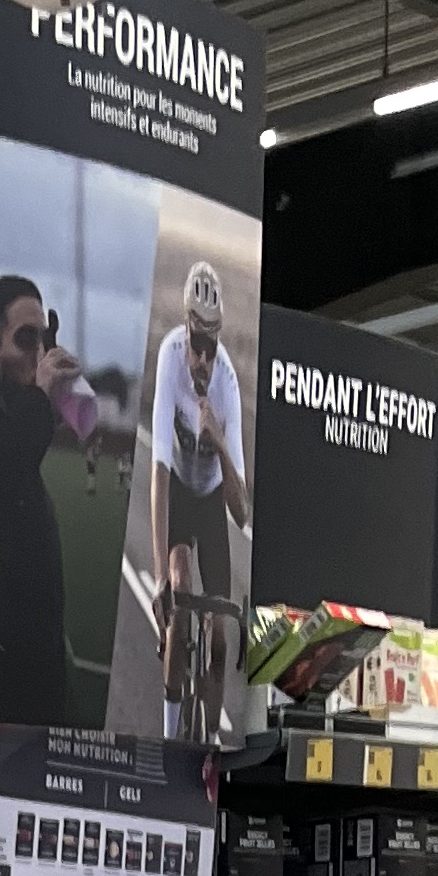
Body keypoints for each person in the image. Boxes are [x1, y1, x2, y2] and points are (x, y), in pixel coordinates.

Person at [0, 272, 79, 727]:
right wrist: (41, 398)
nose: (40, 355)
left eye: (44, 341)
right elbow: (1, 473)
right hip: (3, 697)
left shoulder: (22, 442)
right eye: (25, 340)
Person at [148, 257, 248, 737]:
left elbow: (241, 513)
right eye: (197, 347)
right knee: (180, 592)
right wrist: (157, 579)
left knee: (221, 641)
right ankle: (170, 736)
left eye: (212, 348)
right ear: (185, 333)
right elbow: (159, 473)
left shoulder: (227, 386)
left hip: (209, 501)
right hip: (179, 496)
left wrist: (220, 442)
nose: (203, 361)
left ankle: (207, 743)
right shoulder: (170, 358)